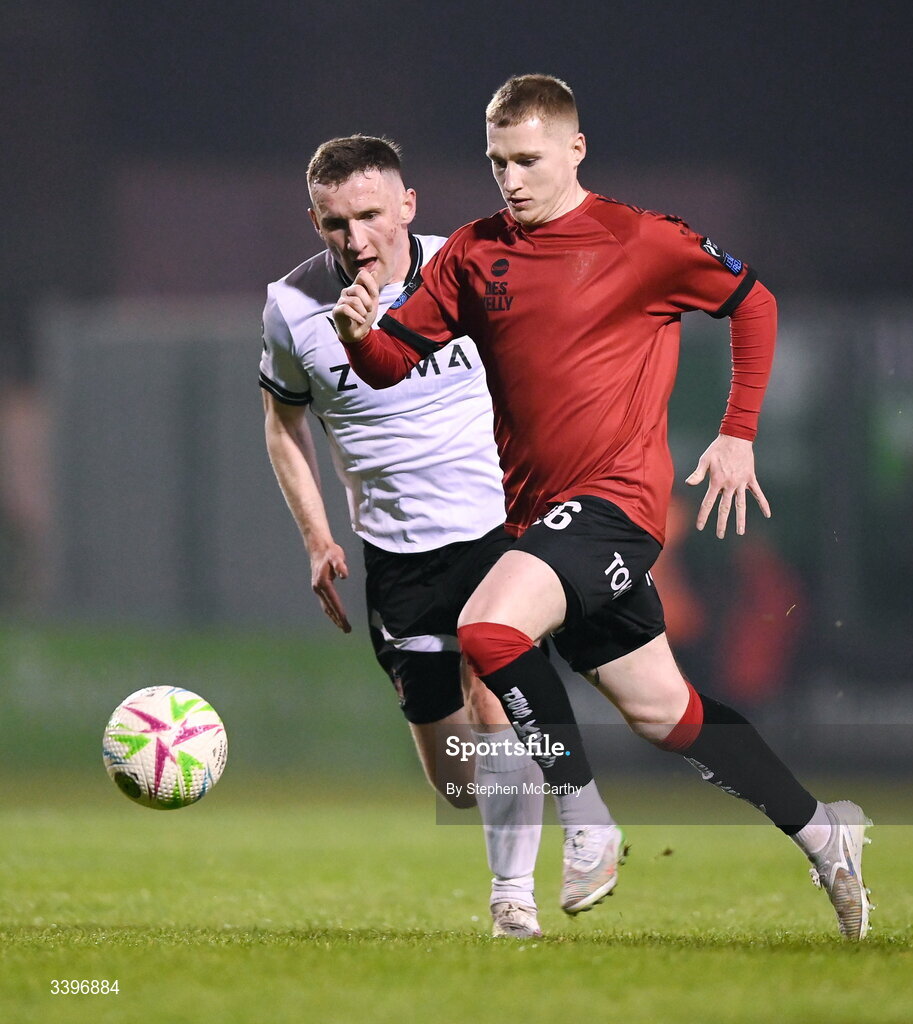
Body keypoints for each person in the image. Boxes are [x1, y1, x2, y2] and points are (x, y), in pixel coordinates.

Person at [333, 78, 873, 940]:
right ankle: (822, 831)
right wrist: (363, 338)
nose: (510, 179)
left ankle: (588, 822)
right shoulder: (475, 253)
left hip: (618, 507)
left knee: (490, 631)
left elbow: (753, 302)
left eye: (528, 160)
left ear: (575, 151)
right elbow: (397, 361)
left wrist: (738, 432)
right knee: (668, 713)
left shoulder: (641, 240)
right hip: (539, 518)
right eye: (497, 161)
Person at [259, 134, 624, 938]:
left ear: (408, 207)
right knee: (459, 783)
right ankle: (533, 819)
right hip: (398, 559)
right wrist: (318, 536)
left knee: (497, 706)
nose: (356, 241)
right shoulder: (292, 307)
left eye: (370, 216)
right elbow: (283, 424)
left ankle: (513, 898)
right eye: (334, 224)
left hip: (500, 532)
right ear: (314, 220)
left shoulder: (474, 269)